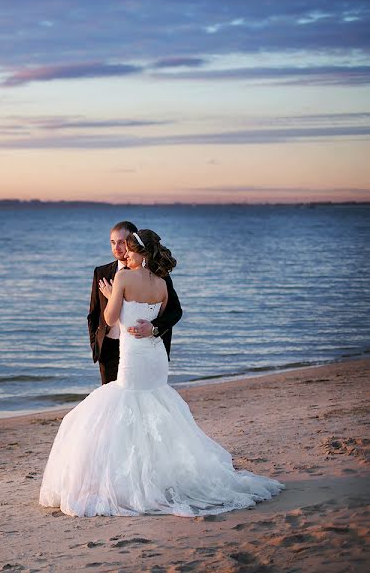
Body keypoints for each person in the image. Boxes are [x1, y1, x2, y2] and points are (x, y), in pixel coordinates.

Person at [40, 230, 283, 516]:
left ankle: (136, 481)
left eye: (129, 250)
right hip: (155, 356)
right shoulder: (161, 283)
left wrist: (110, 295)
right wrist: (151, 326)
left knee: (126, 405)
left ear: (138, 251)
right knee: (153, 406)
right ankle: (164, 475)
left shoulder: (123, 277)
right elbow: (162, 313)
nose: (125, 254)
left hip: (134, 357)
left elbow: (109, 318)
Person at [88, 221, 182, 385]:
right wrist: (96, 344)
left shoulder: (160, 275)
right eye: (112, 242)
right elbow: (93, 313)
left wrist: (154, 328)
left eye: (122, 242)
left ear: (133, 242)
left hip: (143, 347)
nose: (117, 247)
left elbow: (175, 311)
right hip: (109, 348)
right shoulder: (101, 272)